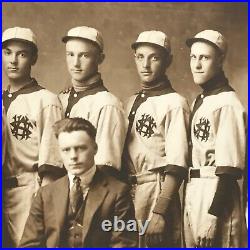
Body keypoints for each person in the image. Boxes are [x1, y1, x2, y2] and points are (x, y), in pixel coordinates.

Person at [19, 117, 138, 248]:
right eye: (66, 150)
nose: (73, 156)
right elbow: (29, 245)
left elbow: (124, 245)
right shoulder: (45, 194)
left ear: (95, 149)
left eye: (80, 148)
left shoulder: (118, 192)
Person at [123, 30, 189, 247]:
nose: (146, 65)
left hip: (156, 189)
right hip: (128, 191)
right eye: (141, 57)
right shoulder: (130, 100)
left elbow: (177, 164)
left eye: (154, 57)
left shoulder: (174, 103)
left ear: (167, 61)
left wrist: (160, 212)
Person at [184, 29, 247, 247]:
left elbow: (229, 170)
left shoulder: (227, 103)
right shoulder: (202, 100)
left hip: (217, 194)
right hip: (196, 189)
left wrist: (213, 216)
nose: (197, 64)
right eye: (193, 57)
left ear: (220, 61)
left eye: (205, 57)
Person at [2, 27, 65, 247]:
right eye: (8, 52)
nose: (13, 61)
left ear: (34, 58)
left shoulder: (46, 100)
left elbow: (53, 159)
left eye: (22, 54)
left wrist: (42, 201)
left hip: (28, 188)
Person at [58, 26, 126, 174]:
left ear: (100, 58)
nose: (75, 63)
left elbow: (107, 167)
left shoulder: (107, 104)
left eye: (84, 55)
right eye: (70, 54)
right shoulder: (60, 98)